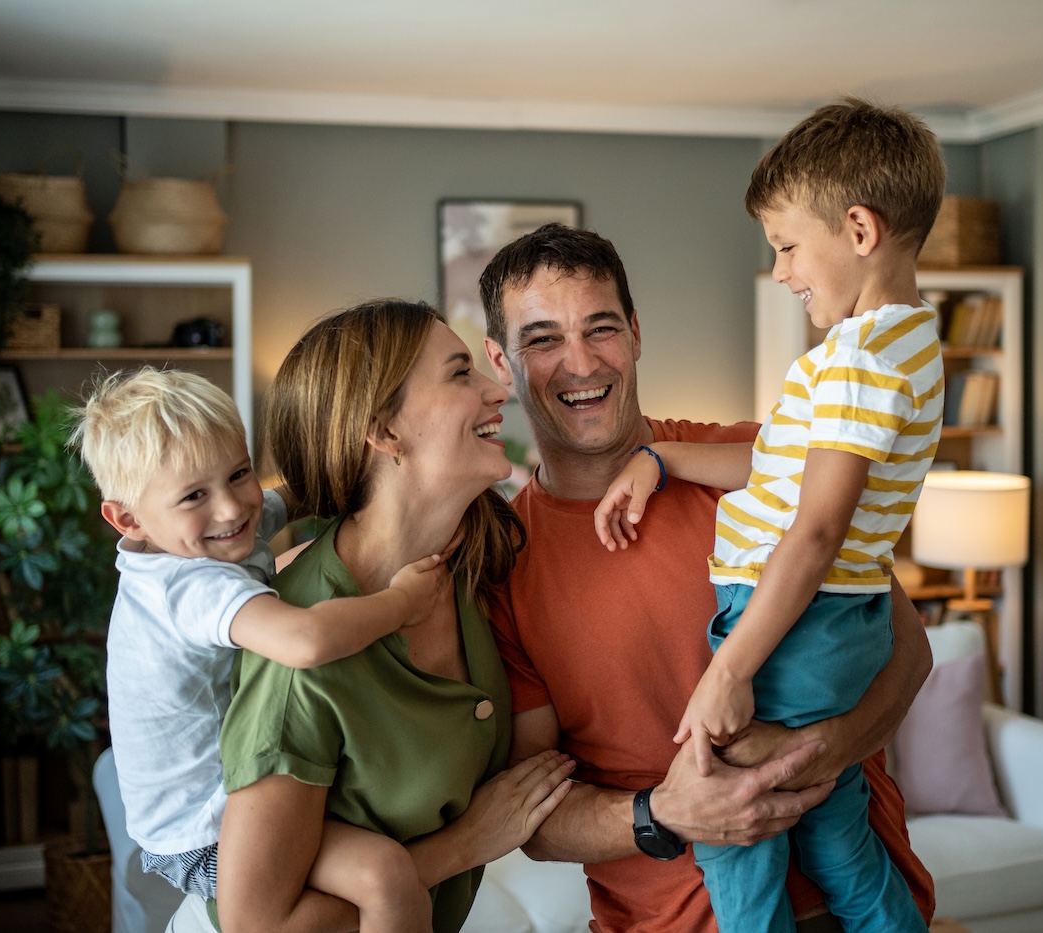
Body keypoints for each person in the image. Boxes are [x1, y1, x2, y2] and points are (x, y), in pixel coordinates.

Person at [479, 222, 936, 932]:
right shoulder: (501, 562)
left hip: (854, 905)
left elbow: (908, 650)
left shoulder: (762, 460)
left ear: (634, 333)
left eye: (600, 328)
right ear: (500, 364)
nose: (579, 362)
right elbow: (535, 817)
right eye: (541, 339)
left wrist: (818, 755)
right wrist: (662, 812)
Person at [591, 98, 945, 932]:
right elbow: (781, 471)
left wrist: (729, 670)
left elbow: (814, 529)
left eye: (788, 247)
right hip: (843, 624)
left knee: (732, 829)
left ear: (860, 230)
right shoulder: (909, 344)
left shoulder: (857, 359)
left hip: (796, 627)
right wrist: (661, 457)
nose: (782, 272)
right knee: (834, 832)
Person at [200, 300, 575, 933]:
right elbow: (259, 929)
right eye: (460, 373)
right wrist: (467, 842)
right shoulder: (302, 652)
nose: (497, 389)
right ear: (385, 432)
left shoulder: (476, 566)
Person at [76, 367, 457, 929]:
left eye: (239, 473)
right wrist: (402, 604)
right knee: (384, 875)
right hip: (199, 831)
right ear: (127, 518)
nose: (231, 509)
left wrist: (377, 446)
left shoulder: (222, 528)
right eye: (194, 496)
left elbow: (296, 493)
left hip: (227, 795)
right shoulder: (188, 586)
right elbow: (306, 640)